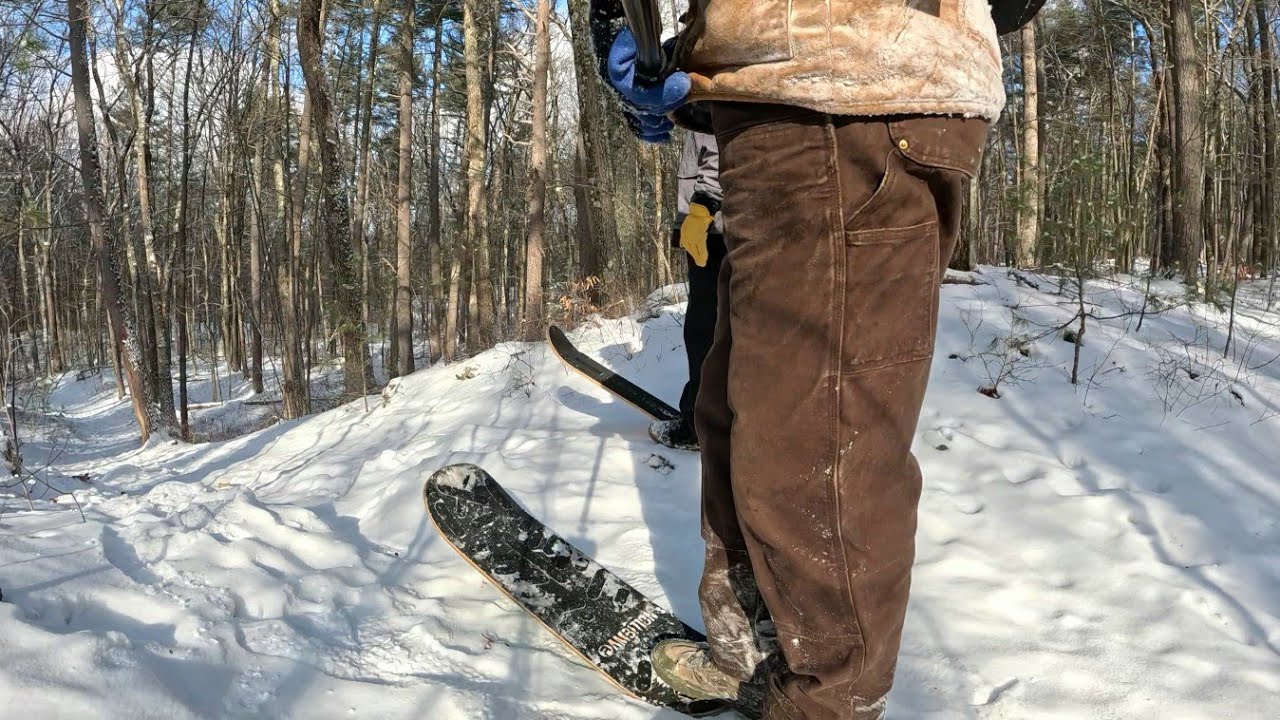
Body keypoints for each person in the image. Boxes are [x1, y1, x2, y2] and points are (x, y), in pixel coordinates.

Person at [594, 2, 1008, 718]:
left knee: (814, 445)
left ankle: (827, 703)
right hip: (783, 101)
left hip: (845, 98)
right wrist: (681, 48)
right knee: (736, 412)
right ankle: (752, 653)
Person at [649, 108, 725, 452]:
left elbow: (723, 143)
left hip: (714, 226)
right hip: (704, 223)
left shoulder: (714, 87)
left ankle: (700, 425)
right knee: (709, 327)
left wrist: (705, 203)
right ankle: (712, 417)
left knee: (705, 331)